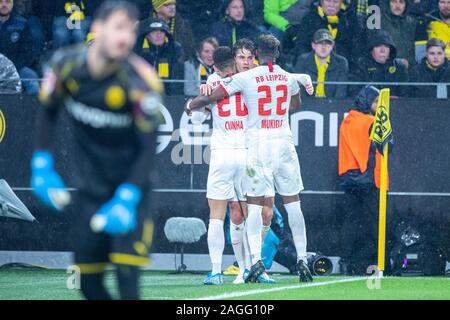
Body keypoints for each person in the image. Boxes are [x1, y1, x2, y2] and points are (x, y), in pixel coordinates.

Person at [31, 1, 164, 300]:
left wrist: (128, 197)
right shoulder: (65, 66)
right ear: (97, 29)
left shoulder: (141, 82)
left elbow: (148, 148)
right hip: (90, 190)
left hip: (133, 192)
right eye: (118, 28)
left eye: (130, 31)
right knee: (87, 282)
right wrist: (42, 162)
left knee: (127, 279)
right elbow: (47, 110)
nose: (125, 38)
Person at [185, 34, 314, 283]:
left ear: (256, 55)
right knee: (292, 203)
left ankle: (254, 262)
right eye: (240, 57)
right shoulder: (286, 76)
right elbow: (295, 105)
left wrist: (191, 104)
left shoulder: (246, 78)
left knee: (255, 208)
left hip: (257, 146)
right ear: (277, 54)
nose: (245, 61)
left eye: (248, 56)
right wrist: (301, 82)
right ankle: (300, 258)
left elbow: (212, 97)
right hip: (282, 144)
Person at [337, 85, 390, 275]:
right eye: (376, 101)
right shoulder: (371, 121)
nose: (378, 105)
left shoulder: (347, 120)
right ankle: (379, 262)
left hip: (348, 178)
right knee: (375, 222)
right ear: (368, 102)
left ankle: (347, 261)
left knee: (351, 222)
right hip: (368, 178)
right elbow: (387, 146)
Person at [350, 30, 409, 97]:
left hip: (395, 106)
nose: (382, 50)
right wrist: (372, 99)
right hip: (368, 106)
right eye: (378, 46)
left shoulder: (400, 67)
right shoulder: (361, 66)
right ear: (371, 50)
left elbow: (406, 95)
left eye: (386, 46)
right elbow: (354, 91)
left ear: (391, 50)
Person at [294, 29, 349, 98]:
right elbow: (299, 88)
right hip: (307, 105)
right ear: (313, 45)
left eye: (327, 43)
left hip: (332, 104)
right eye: (320, 43)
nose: (323, 47)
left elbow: (341, 91)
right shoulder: (303, 60)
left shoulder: (341, 62)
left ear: (332, 46)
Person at [135, 18, 184, 95]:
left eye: (162, 31)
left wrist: (173, 100)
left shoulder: (174, 49)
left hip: (167, 96)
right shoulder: (138, 49)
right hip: (141, 95)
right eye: (154, 32)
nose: (159, 35)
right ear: (147, 35)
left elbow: (176, 81)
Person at [0, 0, 39, 94]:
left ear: (13, 4)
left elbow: (28, 51)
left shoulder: (22, 24)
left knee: (33, 81)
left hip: (17, 67)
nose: (4, 5)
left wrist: (12, 68)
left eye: (7, 2)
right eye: (1, 2)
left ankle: (31, 108)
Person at [379, 0, 419, 68]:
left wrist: (410, 64)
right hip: (384, 68)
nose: (397, 6)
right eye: (394, 1)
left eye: (401, 2)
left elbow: (413, 50)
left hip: (408, 68)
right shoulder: (378, 21)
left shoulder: (412, 22)